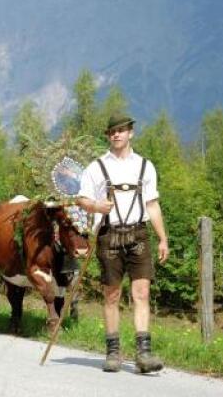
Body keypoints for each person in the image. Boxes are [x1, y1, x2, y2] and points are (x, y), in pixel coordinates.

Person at [77, 113, 169, 373]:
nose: (116, 134)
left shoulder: (145, 166)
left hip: (139, 234)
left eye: (121, 130)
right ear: (108, 136)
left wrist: (163, 238)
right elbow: (81, 199)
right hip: (109, 235)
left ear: (131, 133)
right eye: (112, 131)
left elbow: (152, 204)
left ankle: (144, 354)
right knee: (112, 294)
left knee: (141, 293)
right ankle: (113, 353)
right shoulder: (96, 167)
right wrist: (96, 205)